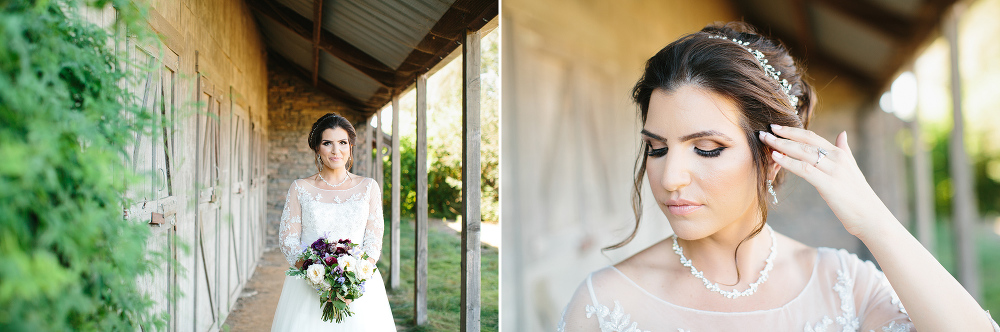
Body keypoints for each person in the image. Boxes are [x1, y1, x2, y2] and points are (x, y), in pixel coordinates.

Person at [558, 22, 1000, 332]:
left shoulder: (844, 285)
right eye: (656, 148)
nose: (670, 177)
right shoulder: (604, 302)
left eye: (707, 149)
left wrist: (874, 223)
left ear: (774, 155)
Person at [271, 113, 396, 331]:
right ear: (317, 148)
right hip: (309, 285)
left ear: (351, 146)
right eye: (327, 143)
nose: (336, 150)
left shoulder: (368, 187)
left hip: (357, 285)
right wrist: (319, 278)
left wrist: (352, 280)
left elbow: (373, 241)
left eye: (342, 143)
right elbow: (288, 241)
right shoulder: (300, 188)